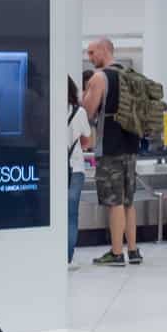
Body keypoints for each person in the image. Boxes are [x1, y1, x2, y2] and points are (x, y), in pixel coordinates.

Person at [81, 38, 142, 267]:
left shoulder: (100, 77)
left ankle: (116, 253)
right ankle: (133, 250)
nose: (90, 57)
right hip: (131, 145)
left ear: (105, 50)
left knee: (113, 201)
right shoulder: (130, 75)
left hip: (110, 147)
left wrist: (87, 92)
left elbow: (87, 111)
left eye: (92, 52)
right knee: (128, 200)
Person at [66, 77, 92, 267]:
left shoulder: (47, 109)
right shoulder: (79, 111)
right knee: (71, 214)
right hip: (75, 168)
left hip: (51, 170)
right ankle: (67, 257)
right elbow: (86, 141)